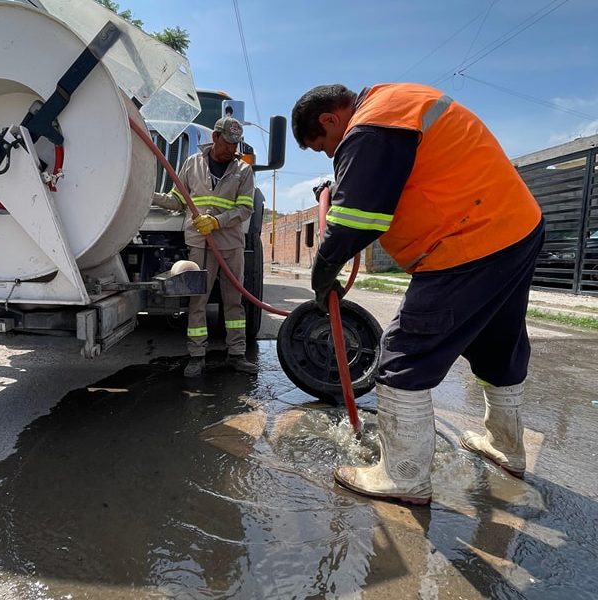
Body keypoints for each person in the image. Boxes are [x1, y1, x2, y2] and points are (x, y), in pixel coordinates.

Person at [291, 83, 544, 505]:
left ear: (330, 119)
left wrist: (322, 276)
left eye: (323, 146)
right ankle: (506, 448)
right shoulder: (399, 102)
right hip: (515, 230)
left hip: (467, 242)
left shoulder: (371, 126)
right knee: (497, 345)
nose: (329, 154)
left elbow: (354, 222)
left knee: (404, 356)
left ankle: (403, 476)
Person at [152, 116, 258, 378]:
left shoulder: (243, 170)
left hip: (230, 243)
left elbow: (246, 208)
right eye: (227, 142)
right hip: (200, 243)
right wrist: (149, 196)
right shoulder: (192, 163)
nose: (231, 148)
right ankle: (197, 356)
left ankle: (237, 354)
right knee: (197, 300)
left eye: (235, 144)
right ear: (215, 137)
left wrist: (217, 221)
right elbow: (178, 201)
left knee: (234, 301)